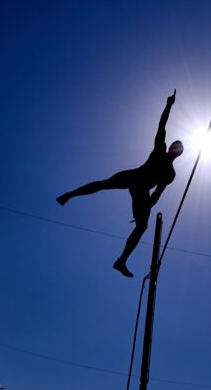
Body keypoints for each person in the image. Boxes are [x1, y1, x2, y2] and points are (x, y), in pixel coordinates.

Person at [57, 91, 183, 277]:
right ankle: (68, 195)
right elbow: (161, 125)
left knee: (142, 226)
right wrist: (169, 105)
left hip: (142, 192)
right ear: (170, 147)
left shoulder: (170, 174)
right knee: (103, 184)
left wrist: (146, 208)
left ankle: (121, 261)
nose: (173, 150)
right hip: (134, 176)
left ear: (179, 154)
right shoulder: (159, 149)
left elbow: (157, 194)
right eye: (174, 146)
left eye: (177, 149)